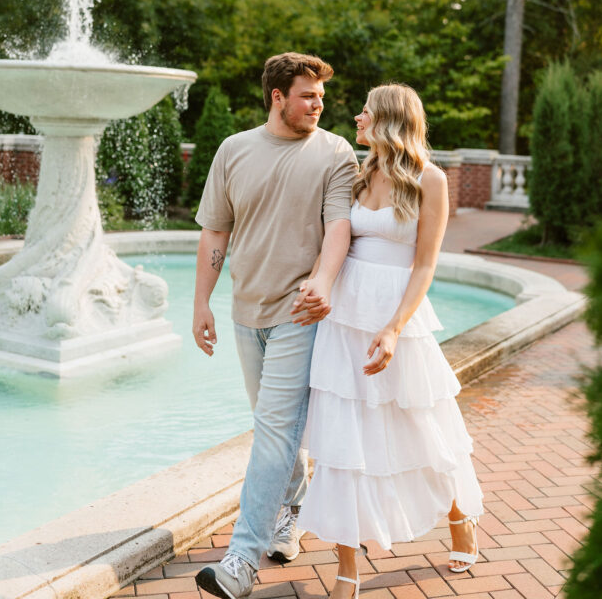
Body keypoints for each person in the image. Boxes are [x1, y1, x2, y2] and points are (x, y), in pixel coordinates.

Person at [292, 84, 484, 595]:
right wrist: (315, 288)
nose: (357, 117)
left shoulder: (431, 180)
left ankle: (460, 516)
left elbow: (424, 265)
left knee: (424, 429)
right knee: (341, 440)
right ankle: (346, 568)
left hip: (396, 317)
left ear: (391, 120)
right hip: (344, 318)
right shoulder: (357, 175)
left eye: (367, 112)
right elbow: (336, 243)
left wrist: (395, 328)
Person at [193, 52, 359, 599]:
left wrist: (324, 282)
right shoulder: (234, 150)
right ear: (277, 96)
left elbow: (339, 228)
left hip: (299, 313)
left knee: (273, 430)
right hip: (247, 312)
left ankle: (241, 560)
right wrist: (202, 303)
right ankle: (290, 510)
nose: (318, 104)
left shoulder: (336, 152)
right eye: (308, 95)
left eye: (321, 97)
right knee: (273, 427)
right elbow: (216, 233)